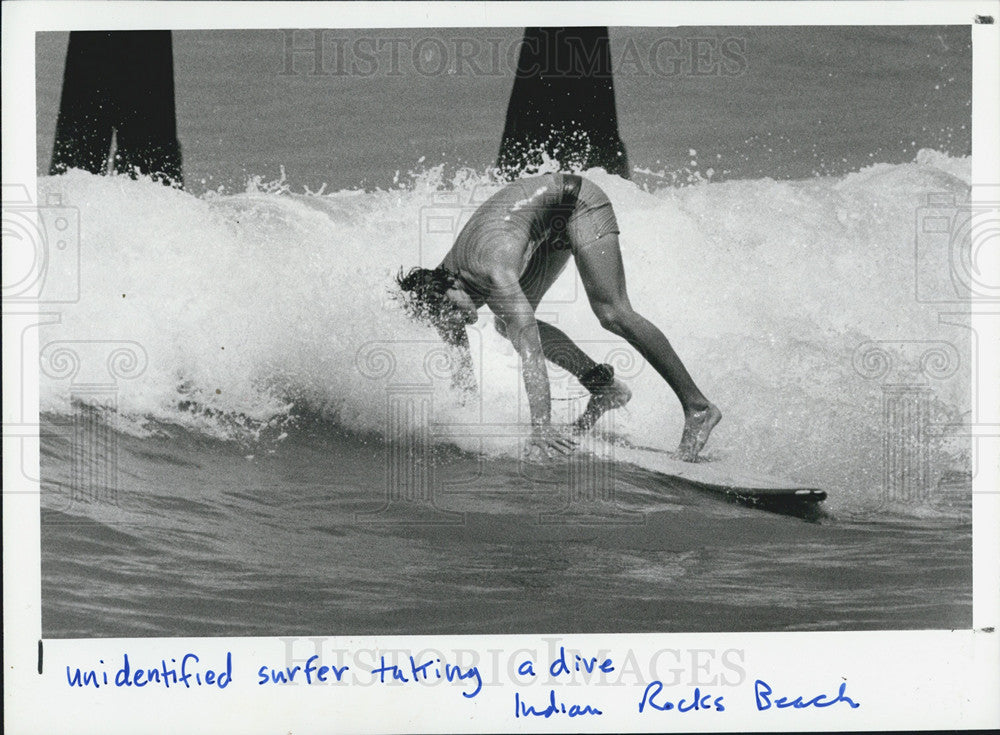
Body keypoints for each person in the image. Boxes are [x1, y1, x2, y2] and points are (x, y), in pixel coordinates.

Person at [396, 173, 721, 461]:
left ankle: (698, 407)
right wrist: (462, 426)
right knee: (504, 323)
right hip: (548, 226)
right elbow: (462, 369)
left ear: (449, 286)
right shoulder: (444, 292)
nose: (460, 323)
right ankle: (604, 387)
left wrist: (541, 427)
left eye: (453, 314)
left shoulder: (491, 265)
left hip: (576, 202)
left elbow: (531, 347)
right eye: (447, 321)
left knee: (612, 312)